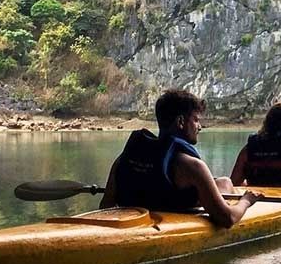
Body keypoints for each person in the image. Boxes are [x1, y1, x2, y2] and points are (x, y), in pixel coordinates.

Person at [100, 88, 258, 228]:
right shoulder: (192, 166)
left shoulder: (124, 158)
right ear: (181, 121)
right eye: (196, 119)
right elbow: (228, 218)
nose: (199, 126)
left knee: (225, 182)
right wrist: (246, 201)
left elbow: (105, 207)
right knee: (226, 184)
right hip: (172, 222)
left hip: (135, 222)